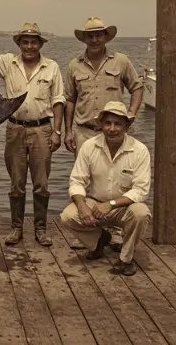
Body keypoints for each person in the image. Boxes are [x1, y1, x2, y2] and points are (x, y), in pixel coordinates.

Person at [63, 16, 143, 250]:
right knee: (84, 184)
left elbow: (136, 87)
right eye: (91, 35)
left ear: (106, 37)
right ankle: (91, 232)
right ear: (85, 39)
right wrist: (68, 131)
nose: (95, 39)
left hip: (114, 131)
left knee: (118, 182)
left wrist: (131, 113)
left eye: (99, 35)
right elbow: (70, 99)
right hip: (85, 132)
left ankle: (117, 232)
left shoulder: (121, 61)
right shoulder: (73, 66)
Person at [0, 22, 65, 246]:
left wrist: (57, 131)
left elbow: (59, 100)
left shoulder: (52, 67)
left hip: (42, 130)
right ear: (19, 44)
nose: (29, 46)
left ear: (40, 44)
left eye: (33, 42)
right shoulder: (8, 63)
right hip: (15, 129)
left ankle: (41, 229)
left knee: (41, 183)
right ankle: (16, 228)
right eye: (25, 42)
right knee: (16, 182)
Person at [59, 101, 152, 276]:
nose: (112, 129)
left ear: (127, 126)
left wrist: (110, 204)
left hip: (123, 207)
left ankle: (126, 259)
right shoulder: (88, 146)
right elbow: (76, 181)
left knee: (141, 213)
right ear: (101, 125)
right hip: (94, 203)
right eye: (108, 123)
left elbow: (141, 190)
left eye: (118, 124)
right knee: (67, 216)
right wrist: (83, 207)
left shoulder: (140, 150)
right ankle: (98, 241)